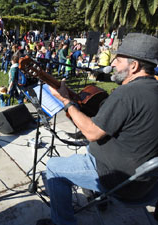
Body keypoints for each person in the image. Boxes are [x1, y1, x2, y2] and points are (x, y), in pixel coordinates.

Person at [37, 33, 158, 225]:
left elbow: (92, 133)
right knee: (86, 149)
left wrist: (66, 102)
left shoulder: (126, 94)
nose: (113, 64)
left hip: (120, 180)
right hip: (148, 183)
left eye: (118, 60)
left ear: (133, 66)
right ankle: (92, 194)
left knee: (54, 168)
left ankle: (63, 222)